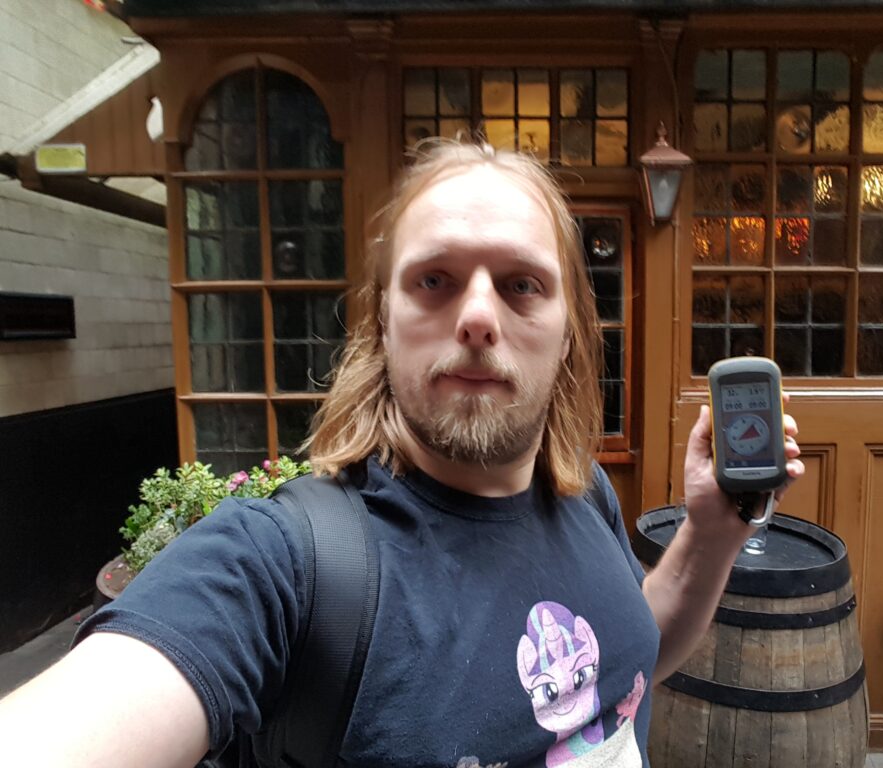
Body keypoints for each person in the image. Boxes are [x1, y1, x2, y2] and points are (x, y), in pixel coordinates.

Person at [0, 141, 803, 768]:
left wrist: (714, 530)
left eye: (523, 284)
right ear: (380, 323)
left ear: (568, 336)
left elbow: (630, 659)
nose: (479, 315)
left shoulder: (582, 492)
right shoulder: (285, 567)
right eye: (435, 281)